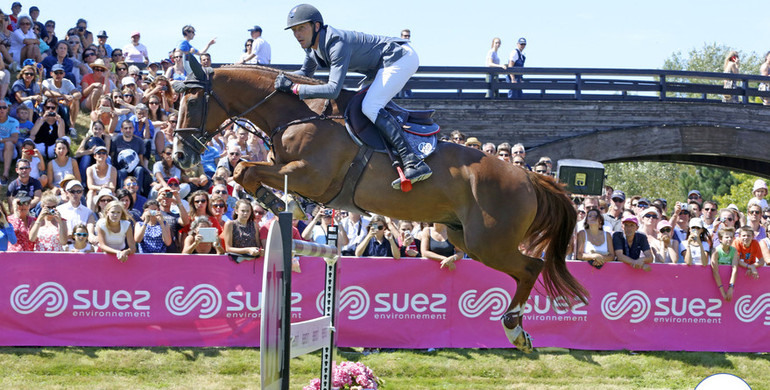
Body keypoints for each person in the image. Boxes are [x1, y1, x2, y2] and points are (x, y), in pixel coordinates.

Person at [277, 4, 430, 189]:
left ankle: (413, 161)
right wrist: (277, 79)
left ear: (316, 26)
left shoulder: (336, 42)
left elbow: (333, 89)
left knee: (370, 106)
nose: (297, 34)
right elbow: (304, 74)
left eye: (301, 28)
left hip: (399, 58)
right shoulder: (311, 47)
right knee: (358, 104)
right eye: (294, 30)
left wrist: (294, 89)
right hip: (379, 66)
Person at [711, 227, 738, 301]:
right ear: (720, 239)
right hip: (716, 284)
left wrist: (731, 287)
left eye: (731, 237)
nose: (729, 239)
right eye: (727, 237)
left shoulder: (734, 251)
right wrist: (722, 292)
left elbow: (734, 269)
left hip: (728, 283)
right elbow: (715, 272)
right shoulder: (716, 251)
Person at [0, 99, 19, 184]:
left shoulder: (14, 122)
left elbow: (15, 139)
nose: (1, 110)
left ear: (7, 109)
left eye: (4, 107)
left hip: (9, 151)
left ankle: (5, 173)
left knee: (9, 143)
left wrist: (2, 140)